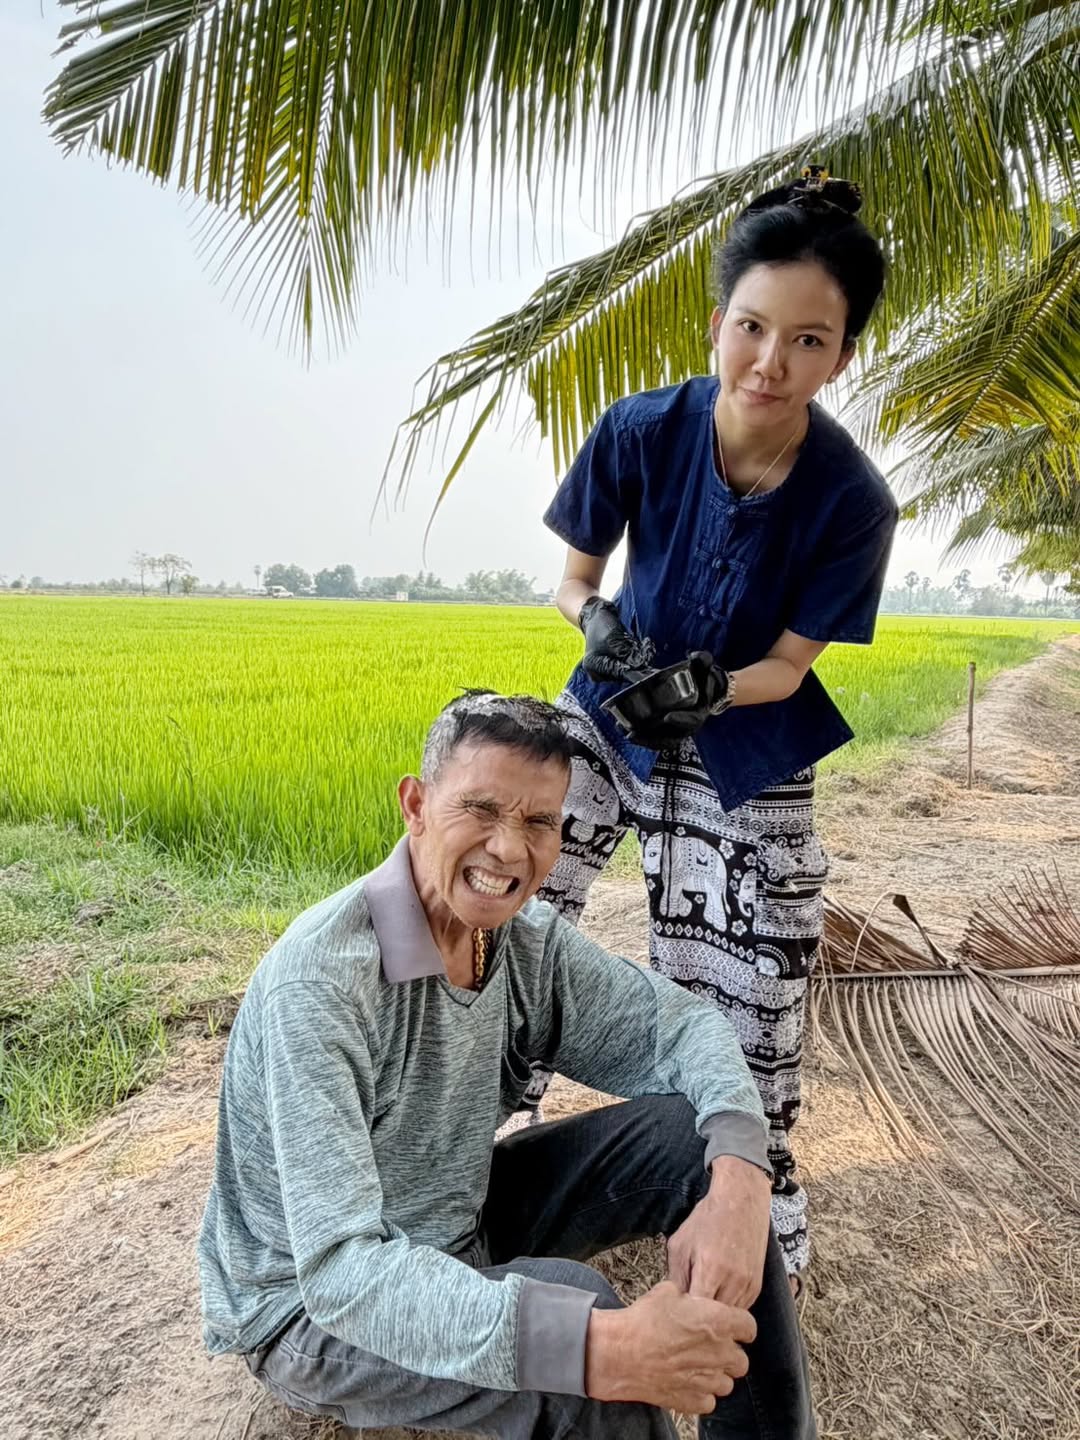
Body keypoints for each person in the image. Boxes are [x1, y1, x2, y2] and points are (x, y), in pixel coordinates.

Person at [198, 691, 816, 1439]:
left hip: (459, 1215)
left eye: (538, 822)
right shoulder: (323, 984)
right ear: (416, 805)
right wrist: (597, 1349)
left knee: (701, 1138)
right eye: (481, 810)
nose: (508, 849)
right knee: (582, 1335)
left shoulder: (522, 942)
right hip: (308, 1308)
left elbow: (678, 1026)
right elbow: (341, 1271)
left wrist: (746, 1183)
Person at [537, 167, 899, 1286]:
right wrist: (603, 629)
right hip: (612, 705)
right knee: (499, 899)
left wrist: (709, 689)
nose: (768, 364)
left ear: (841, 355)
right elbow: (573, 580)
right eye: (751, 328)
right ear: (717, 321)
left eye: (808, 340)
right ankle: (438, 1152)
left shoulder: (854, 499)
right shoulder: (641, 429)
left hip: (745, 738)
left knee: (756, 974)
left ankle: (754, 1202)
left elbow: (789, 669)